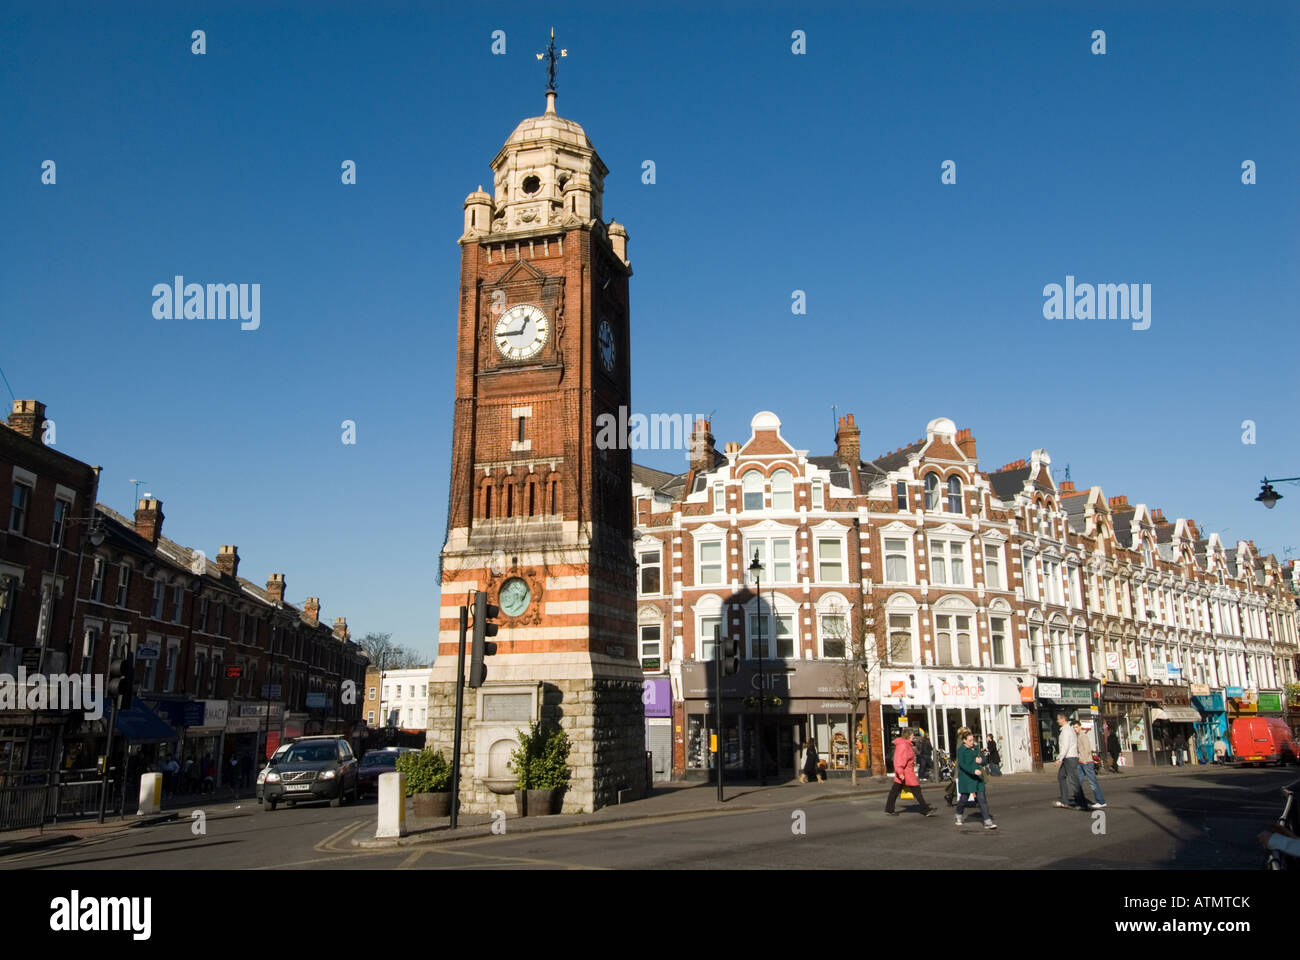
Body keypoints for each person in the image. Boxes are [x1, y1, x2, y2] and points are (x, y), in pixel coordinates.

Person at [884, 728, 936, 817]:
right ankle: (925, 809)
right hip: (906, 773)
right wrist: (900, 773)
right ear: (908, 736)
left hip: (906, 772)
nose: (913, 736)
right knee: (916, 790)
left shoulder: (906, 745)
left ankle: (889, 809)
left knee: (895, 791)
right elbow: (899, 760)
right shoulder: (904, 746)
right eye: (912, 735)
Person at [954, 731, 997, 829]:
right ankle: (958, 814)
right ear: (964, 741)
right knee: (963, 800)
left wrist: (981, 760)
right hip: (967, 778)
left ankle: (987, 822)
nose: (972, 742)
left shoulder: (976, 748)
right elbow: (962, 764)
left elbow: (983, 759)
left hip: (978, 779)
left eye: (973, 740)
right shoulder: (961, 750)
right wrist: (973, 771)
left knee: (982, 800)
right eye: (970, 740)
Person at [1053, 713, 1087, 810]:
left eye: (1058, 719)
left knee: (1073, 780)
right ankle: (1064, 800)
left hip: (1069, 758)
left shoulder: (1066, 730)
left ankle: (1081, 803)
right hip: (1069, 757)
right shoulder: (1069, 729)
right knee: (1061, 776)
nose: (1057, 721)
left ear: (1063, 719)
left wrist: (1060, 759)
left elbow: (1065, 745)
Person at [1072, 720, 1106, 809]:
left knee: (1092, 782)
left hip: (1086, 762)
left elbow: (1087, 749)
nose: (1075, 729)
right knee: (1078, 782)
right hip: (1081, 762)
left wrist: (1083, 759)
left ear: (1080, 727)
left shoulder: (1083, 736)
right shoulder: (1079, 736)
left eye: (1076, 727)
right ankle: (1079, 800)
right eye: (1074, 727)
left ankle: (1101, 801)